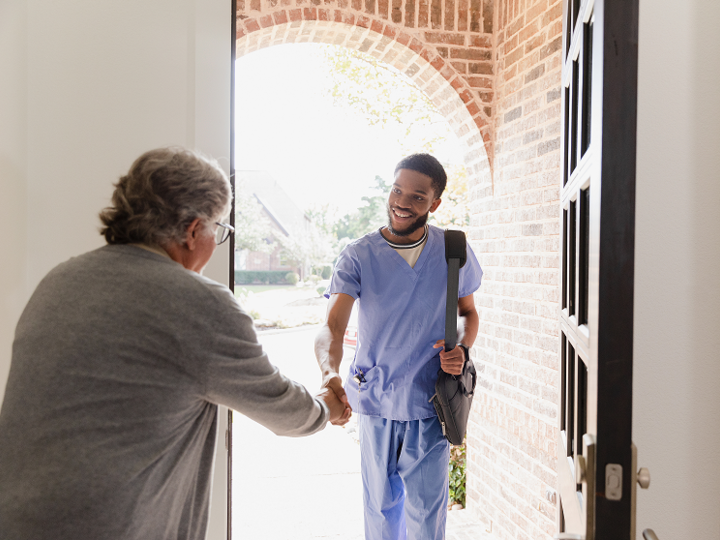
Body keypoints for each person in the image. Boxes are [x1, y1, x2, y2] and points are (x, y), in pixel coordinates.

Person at [0, 147, 349, 540]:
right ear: (192, 230)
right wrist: (326, 407)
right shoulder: (199, 303)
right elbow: (283, 410)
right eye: (218, 230)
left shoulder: (59, 280)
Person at [315, 153, 483, 540]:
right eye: (396, 190)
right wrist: (329, 372)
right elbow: (333, 325)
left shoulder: (452, 250)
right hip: (375, 401)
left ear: (435, 203)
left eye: (417, 197)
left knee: (427, 520)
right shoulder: (358, 255)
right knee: (380, 514)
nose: (402, 203)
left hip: (428, 405)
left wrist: (462, 347)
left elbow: (468, 315)